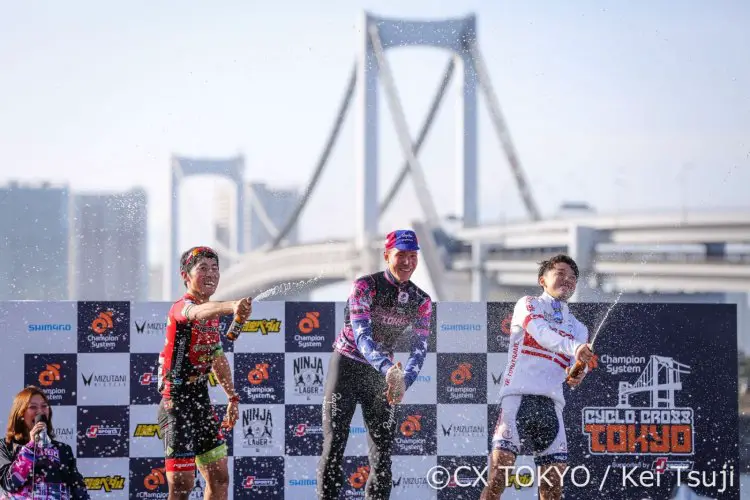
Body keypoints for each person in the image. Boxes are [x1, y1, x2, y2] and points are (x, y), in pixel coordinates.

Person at [317, 229, 433, 500]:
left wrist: (404, 381)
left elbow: (420, 348)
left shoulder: (422, 300)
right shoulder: (364, 286)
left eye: (413, 256)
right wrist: (389, 371)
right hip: (345, 367)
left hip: (382, 376)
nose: (407, 262)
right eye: (400, 255)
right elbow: (362, 337)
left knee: (382, 453)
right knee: (334, 444)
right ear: (386, 256)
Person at [481, 254, 595, 500]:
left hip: (552, 407)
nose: (568, 280)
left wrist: (579, 371)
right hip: (517, 400)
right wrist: (575, 349)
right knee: (499, 478)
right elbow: (542, 333)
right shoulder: (528, 303)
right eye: (560, 274)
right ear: (542, 280)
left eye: (573, 277)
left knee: (552, 490)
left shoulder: (579, 327)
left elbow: (576, 369)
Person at [157, 246, 252, 500]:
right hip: (175, 400)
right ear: (185, 276)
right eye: (203, 268)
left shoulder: (211, 315)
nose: (211, 274)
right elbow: (196, 312)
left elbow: (218, 358)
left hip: (200, 399)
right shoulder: (182, 307)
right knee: (181, 484)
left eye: (215, 268)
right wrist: (232, 305)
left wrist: (232, 397)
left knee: (220, 477)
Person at [0, 386, 89, 499]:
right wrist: (31, 446)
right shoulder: (5, 446)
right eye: (33, 407)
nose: (40, 411)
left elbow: (78, 489)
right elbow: (10, 484)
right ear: (20, 414)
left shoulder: (63, 449)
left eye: (44, 406)